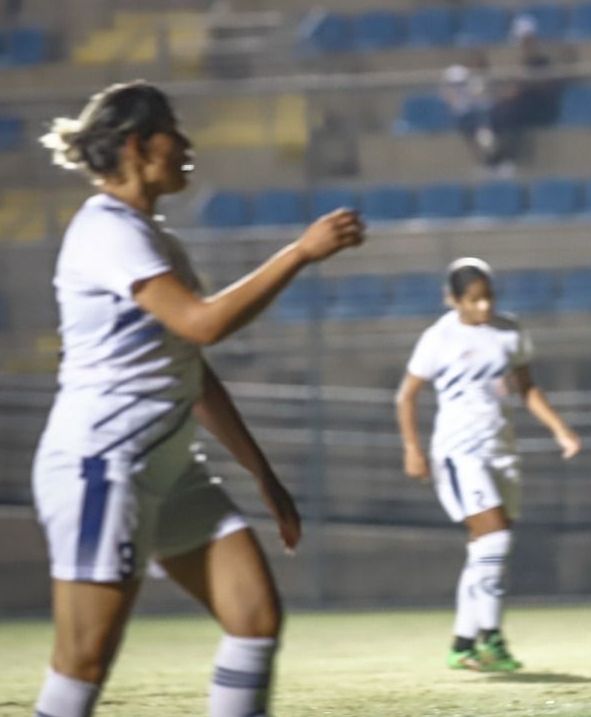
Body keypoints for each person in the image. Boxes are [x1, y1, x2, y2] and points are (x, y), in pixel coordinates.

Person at [30, 81, 364, 717]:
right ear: (137, 145)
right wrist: (300, 252)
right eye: (173, 132)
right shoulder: (106, 230)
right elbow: (202, 323)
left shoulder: (154, 240)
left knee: (254, 618)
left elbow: (193, 368)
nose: (186, 146)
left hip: (167, 467)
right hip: (104, 463)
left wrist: (261, 473)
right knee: (83, 663)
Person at [395, 257, 582, 672]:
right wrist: (413, 448)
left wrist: (559, 429)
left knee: (485, 548)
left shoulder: (509, 331)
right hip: (459, 453)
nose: (483, 308)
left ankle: (462, 645)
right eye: (474, 301)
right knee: (494, 541)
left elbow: (527, 387)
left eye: (489, 298)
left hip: (502, 450)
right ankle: (491, 638)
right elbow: (406, 395)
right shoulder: (438, 338)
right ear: (453, 299)